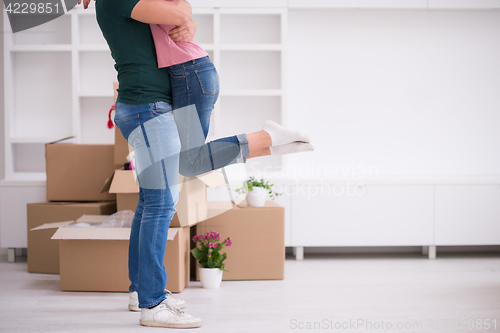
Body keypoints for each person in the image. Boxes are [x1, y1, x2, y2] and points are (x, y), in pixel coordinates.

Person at [81, 0, 313, 329]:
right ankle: (153, 304)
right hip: (147, 106)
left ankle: (141, 291)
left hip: (155, 104)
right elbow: (177, 12)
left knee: (153, 199)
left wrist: (189, 22)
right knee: (162, 203)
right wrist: (185, 18)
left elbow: (179, 11)